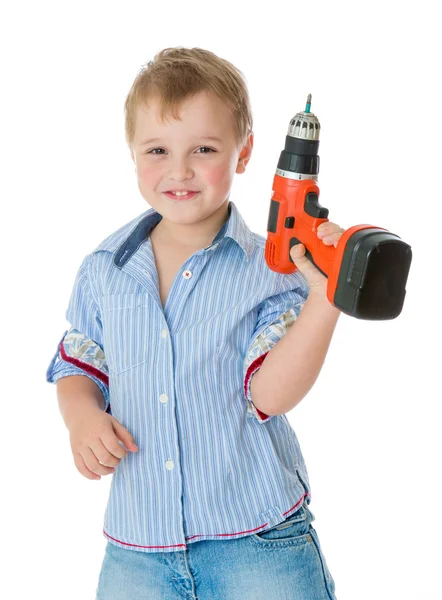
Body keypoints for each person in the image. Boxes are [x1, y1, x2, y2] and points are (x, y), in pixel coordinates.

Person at [46, 47, 343, 600]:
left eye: (203, 149)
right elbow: (78, 359)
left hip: (258, 543)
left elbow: (270, 394)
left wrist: (325, 299)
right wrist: (82, 415)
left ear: (244, 153)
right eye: (158, 150)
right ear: (132, 155)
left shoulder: (272, 272)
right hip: (137, 551)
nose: (178, 171)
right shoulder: (103, 270)